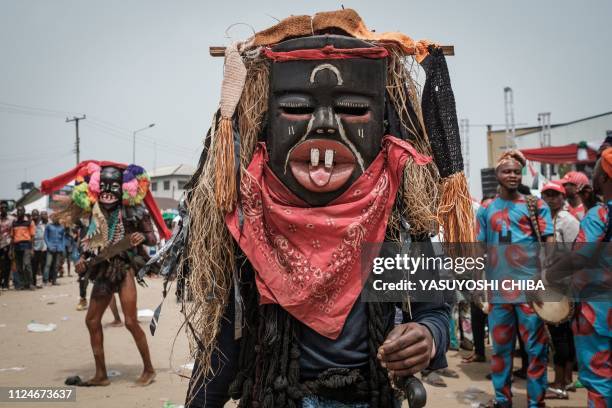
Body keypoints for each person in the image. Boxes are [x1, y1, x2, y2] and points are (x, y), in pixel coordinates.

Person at [155, 9, 479, 407]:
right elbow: (226, 339)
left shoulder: (395, 219)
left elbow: (435, 313)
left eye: (353, 110)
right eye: (295, 107)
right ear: (267, 126)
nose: (324, 124)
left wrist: (428, 337)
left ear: (382, 127)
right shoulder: (248, 219)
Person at [41, 161, 171, 387]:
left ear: (123, 189)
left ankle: (149, 369)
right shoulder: (93, 213)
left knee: (131, 321)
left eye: (114, 187)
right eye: (105, 187)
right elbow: (86, 243)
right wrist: (82, 260)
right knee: (92, 320)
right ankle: (100, 374)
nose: (109, 192)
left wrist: (140, 236)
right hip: (102, 269)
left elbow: (151, 238)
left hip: (124, 267)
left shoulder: (133, 211)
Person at [476, 150, 554, 408]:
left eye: (516, 171)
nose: (512, 175)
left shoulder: (536, 206)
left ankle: (536, 402)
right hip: (499, 294)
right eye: (506, 171)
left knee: (536, 350)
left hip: (531, 292)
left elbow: (550, 245)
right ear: (496, 174)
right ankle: (502, 401)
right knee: (500, 351)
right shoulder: (486, 209)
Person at [548, 151, 612, 407]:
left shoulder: (600, 215)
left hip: (599, 315)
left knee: (599, 381)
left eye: (595, 172)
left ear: (604, 177)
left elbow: (578, 258)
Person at [540, 181, 580, 400]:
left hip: (564, 283)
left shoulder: (569, 221)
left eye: (555, 194)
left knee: (561, 334)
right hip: (550, 281)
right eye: (547, 194)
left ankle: (561, 382)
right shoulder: (546, 220)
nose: (550, 198)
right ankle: (563, 380)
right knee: (556, 334)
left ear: (562, 197)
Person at [11, 205, 35, 290]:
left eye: (20, 210)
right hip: (17, 246)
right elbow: (12, 237)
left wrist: (32, 249)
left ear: (24, 212)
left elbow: (32, 237)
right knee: (19, 267)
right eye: (18, 211)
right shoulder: (14, 223)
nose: (19, 212)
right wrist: (11, 250)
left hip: (26, 246)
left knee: (27, 265)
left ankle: (30, 283)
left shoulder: (29, 222)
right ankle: (22, 284)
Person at [44, 215, 65, 286]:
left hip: (59, 249)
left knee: (56, 265)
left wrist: (62, 248)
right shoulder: (48, 226)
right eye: (54, 217)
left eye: (57, 217)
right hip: (50, 248)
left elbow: (63, 238)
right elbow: (45, 237)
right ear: (52, 218)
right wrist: (49, 246)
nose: (56, 218)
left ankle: (54, 280)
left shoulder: (62, 227)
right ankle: (46, 281)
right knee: (48, 264)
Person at [31, 209, 47, 288]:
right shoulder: (30, 224)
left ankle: (41, 282)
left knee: (42, 266)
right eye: (34, 215)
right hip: (34, 247)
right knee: (34, 266)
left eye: (36, 215)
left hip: (43, 247)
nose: (35, 216)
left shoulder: (42, 224)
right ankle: (34, 282)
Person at [0, 201, 13, 290]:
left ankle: (5, 283)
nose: (3, 209)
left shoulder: (12, 219)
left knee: (7, 265)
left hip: (8, 244)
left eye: (5, 207)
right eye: (2, 208)